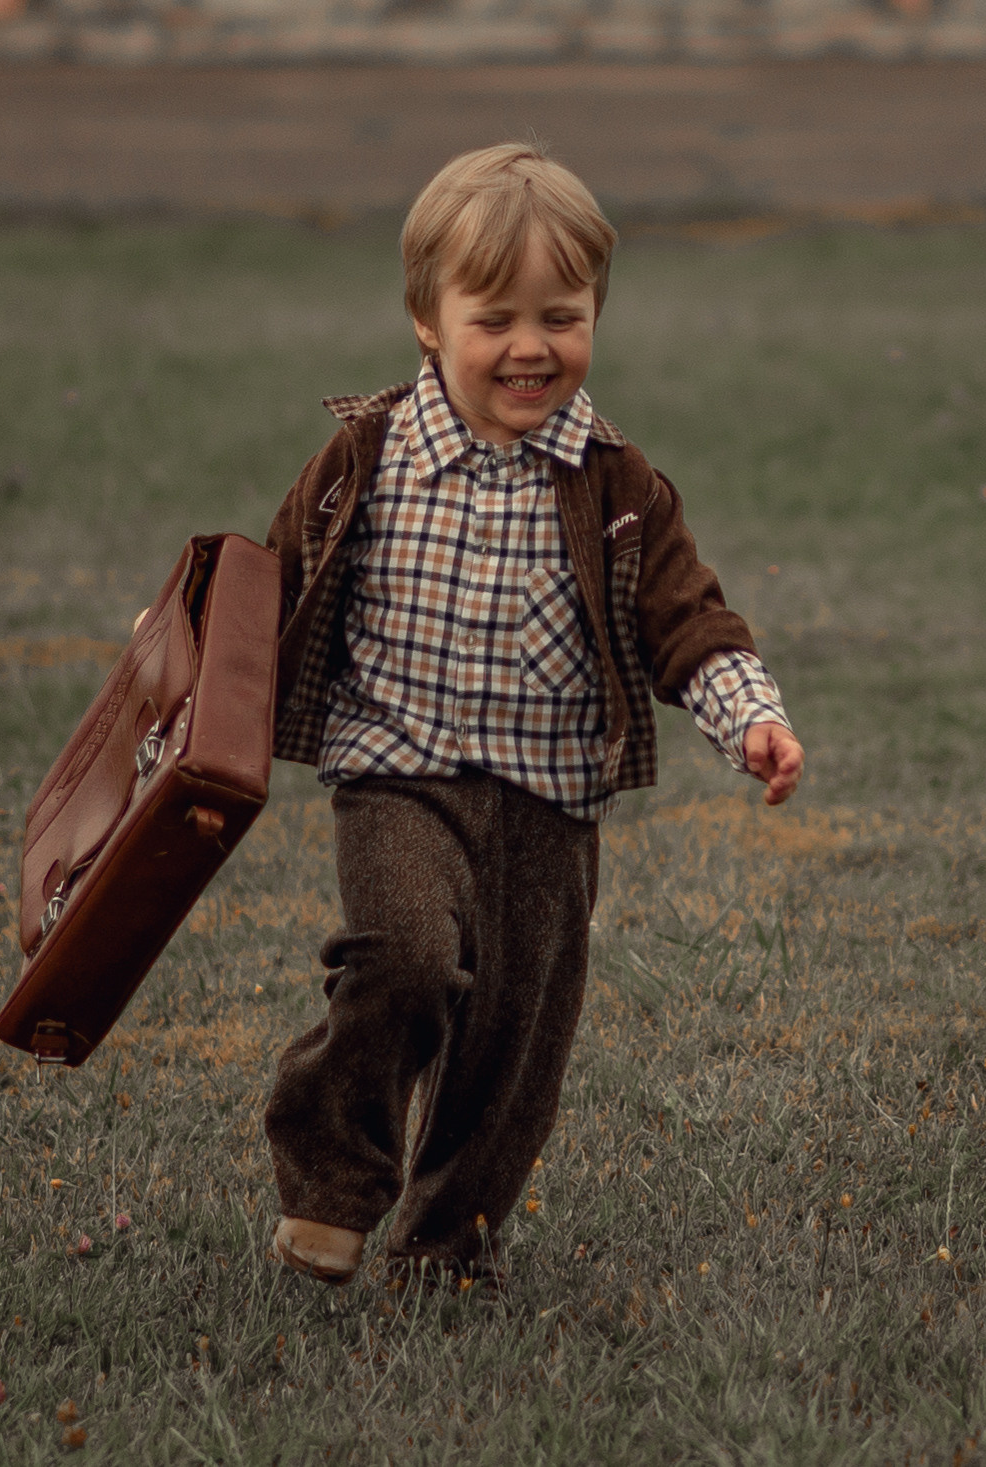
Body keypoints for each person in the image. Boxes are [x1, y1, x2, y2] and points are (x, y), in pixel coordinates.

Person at [257, 142, 804, 1290]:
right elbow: (271, 586)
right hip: (398, 775)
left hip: (550, 804)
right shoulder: (369, 455)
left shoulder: (614, 483)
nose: (529, 347)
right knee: (404, 960)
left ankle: (444, 1245)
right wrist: (198, 702)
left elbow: (686, 618)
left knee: (514, 1046)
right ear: (425, 318)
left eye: (561, 316)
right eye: (494, 318)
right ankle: (333, 1176)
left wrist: (747, 714)